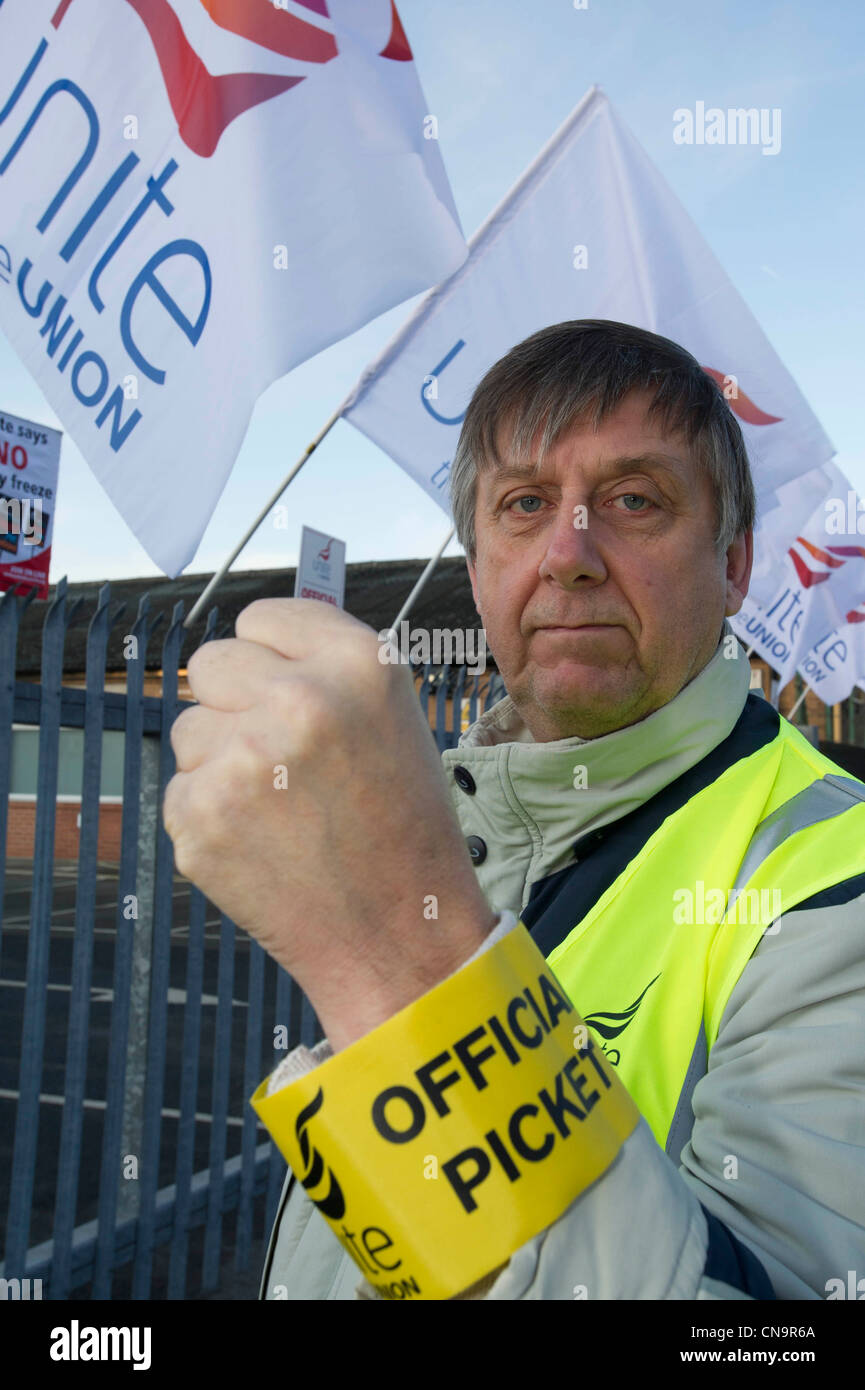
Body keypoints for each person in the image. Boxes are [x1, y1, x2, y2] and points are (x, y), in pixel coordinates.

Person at [164, 320, 865, 1302]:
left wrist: (399, 971)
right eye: (525, 505)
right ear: (480, 561)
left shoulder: (833, 873)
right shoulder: (428, 817)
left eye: (634, 500)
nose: (569, 555)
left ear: (735, 565)